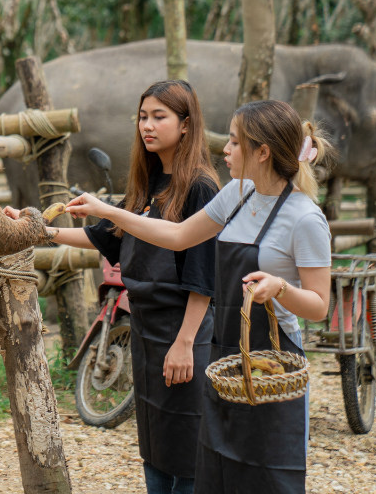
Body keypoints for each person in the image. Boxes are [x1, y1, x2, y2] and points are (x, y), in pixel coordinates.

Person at [67, 99, 333, 494]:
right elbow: (176, 236)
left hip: (273, 361)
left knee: (267, 473)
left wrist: (281, 288)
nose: (225, 149)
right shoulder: (237, 196)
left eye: (235, 142)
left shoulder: (305, 218)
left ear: (262, 152)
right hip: (223, 352)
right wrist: (110, 213)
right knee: (217, 470)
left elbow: (319, 305)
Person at [5, 80, 218, 493]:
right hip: (145, 327)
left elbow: (203, 274)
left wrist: (186, 342)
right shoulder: (148, 182)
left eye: (159, 117)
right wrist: (39, 230)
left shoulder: (201, 187)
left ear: (186, 124)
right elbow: (105, 235)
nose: (147, 126)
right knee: (155, 437)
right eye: (142, 117)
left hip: (182, 328)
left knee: (188, 438)